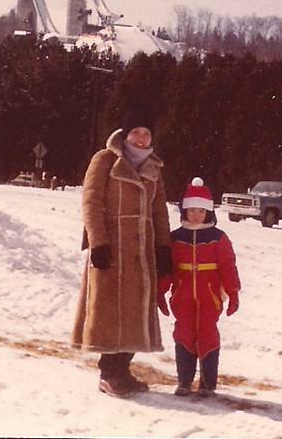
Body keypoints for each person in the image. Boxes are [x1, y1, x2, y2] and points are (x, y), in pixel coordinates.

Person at [72, 105, 171, 397]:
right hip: (111, 249)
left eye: (146, 133)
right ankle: (109, 373)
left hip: (142, 252)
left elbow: (160, 211)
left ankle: (122, 371)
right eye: (136, 132)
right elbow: (91, 203)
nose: (141, 139)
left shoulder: (154, 167)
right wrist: (98, 242)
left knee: (135, 313)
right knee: (109, 312)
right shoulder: (105, 160)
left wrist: (164, 248)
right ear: (125, 134)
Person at [158, 177, 241, 397]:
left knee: (207, 335)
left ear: (208, 213)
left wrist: (232, 293)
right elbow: (168, 268)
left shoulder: (218, 238)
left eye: (201, 211)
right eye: (192, 210)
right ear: (185, 211)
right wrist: (160, 291)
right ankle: (184, 382)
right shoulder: (175, 237)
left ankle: (207, 384)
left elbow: (228, 267)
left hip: (210, 297)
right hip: (182, 296)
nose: (196, 215)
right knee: (183, 334)